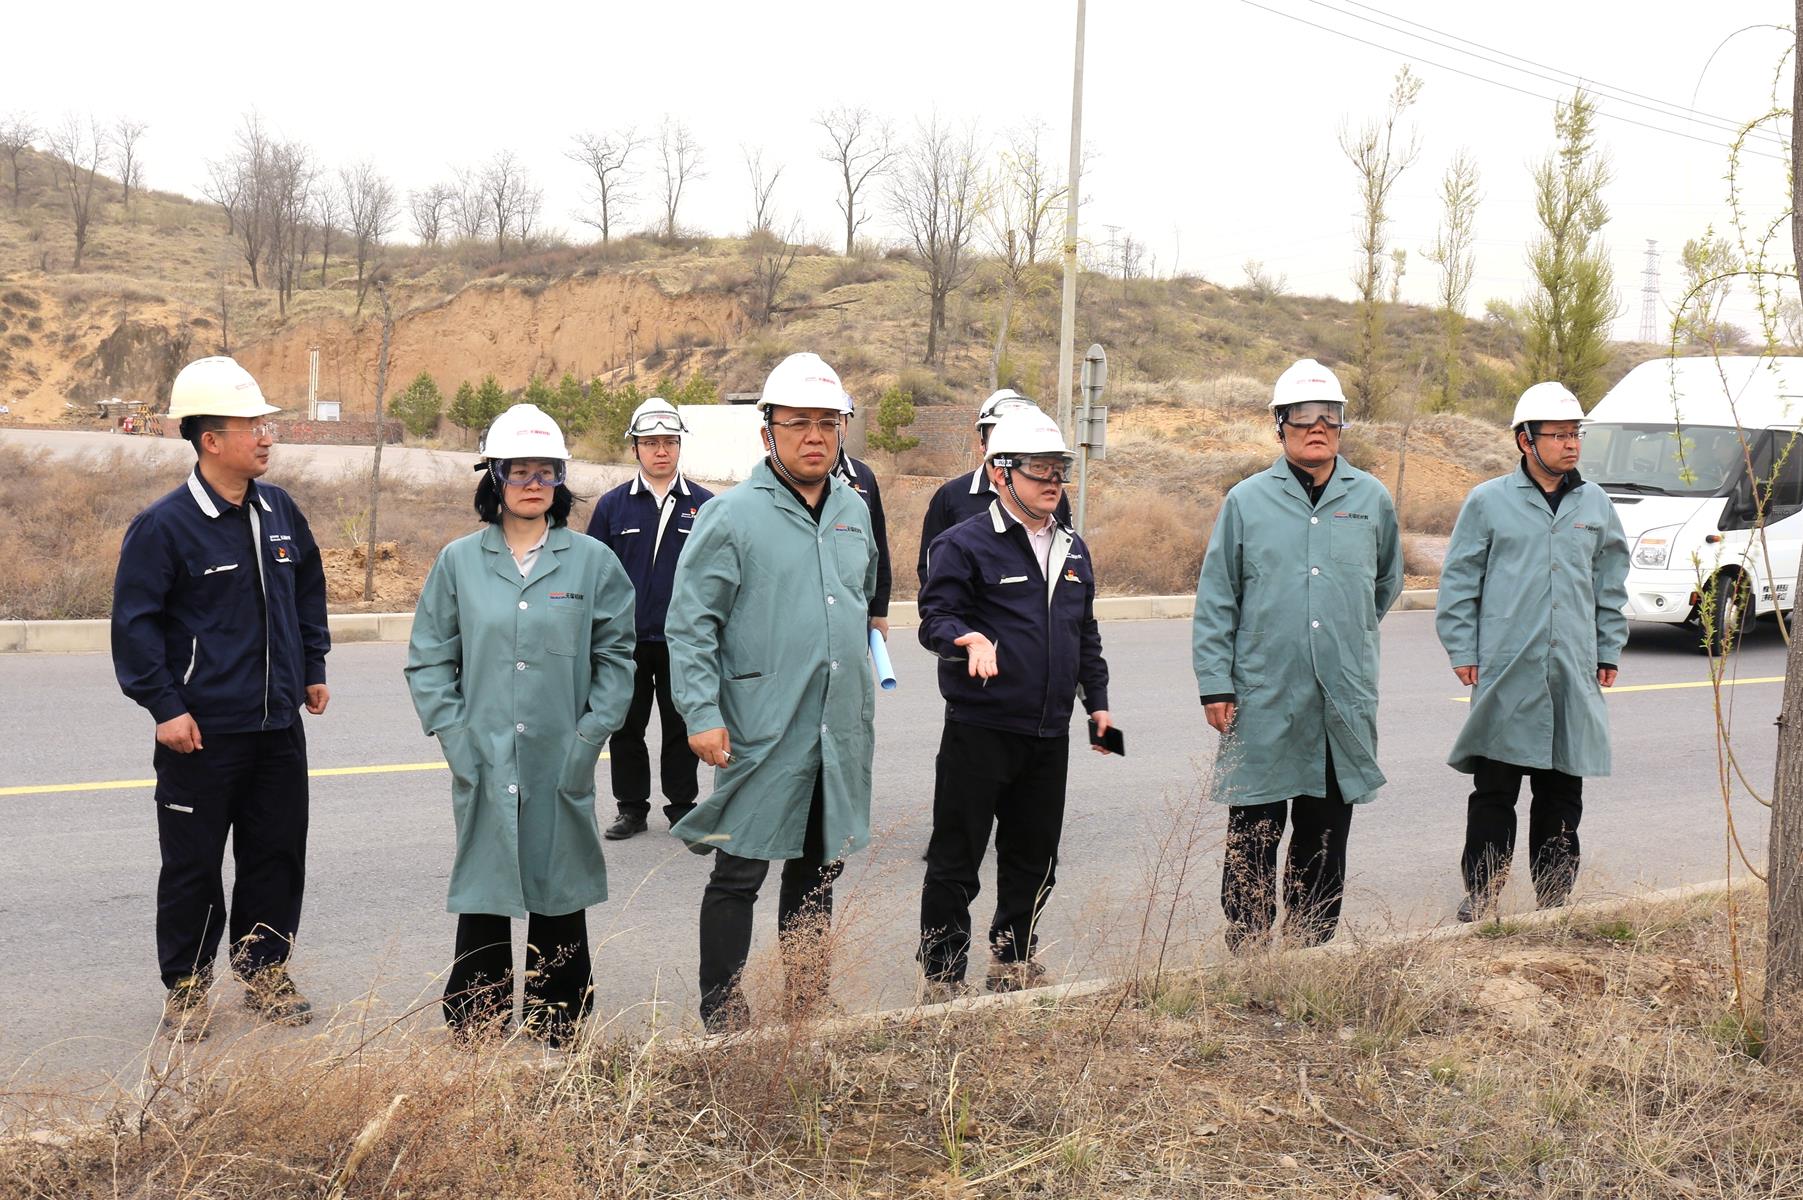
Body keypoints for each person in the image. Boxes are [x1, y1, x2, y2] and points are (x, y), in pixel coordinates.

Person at [405, 403, 637, 1046]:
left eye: (547, 471)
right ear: (495, 478)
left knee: (558, 882)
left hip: (563, 752)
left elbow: (617, 659)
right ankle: (477, 1020)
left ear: (562, 480)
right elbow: (429, 660)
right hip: (482, 753)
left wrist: (589, 739)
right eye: (519, 471)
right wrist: (456, 739)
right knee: (485, 881)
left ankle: (557, 1015)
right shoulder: (458, 562)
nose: (534, 484)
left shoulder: (593, 563)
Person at [111, 355, 330, 1038]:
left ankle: (264, 972)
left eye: (268, 425)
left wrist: (313, 663)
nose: (267, 437)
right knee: (193, 867)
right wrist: (166, 707)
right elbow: (135, 626)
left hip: (277, 727)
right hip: (200, 733)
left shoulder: (279, 510)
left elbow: (308, 589)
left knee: (276, 856)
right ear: (210, 439)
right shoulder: (165, 526)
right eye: (252, 426)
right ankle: (186, 986)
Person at [665, 352, 878, 1033]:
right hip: (761, 724)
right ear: (767, 433)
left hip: (834, 727)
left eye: (827, 423)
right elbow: (691, 625)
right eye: (798, 423)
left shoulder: (853, 509)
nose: (815, 436)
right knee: (739, 871)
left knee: (817, 873)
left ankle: (806, 1004)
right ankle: (723, 1009)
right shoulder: (730, 516)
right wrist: (701, 713)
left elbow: (859, 600)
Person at [1191, 359, 1402, 951]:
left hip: (1340, 695)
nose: (1319, 427)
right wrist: (1216, 682)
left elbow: (1384, 583)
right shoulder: (1247, 501)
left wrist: (1340, 634)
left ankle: (1310, 943)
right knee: (1254, 823)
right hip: (1264, 692)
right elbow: (1218, 597)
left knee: (1325, 824)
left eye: (1330, 416)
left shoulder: (1371, 498)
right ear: (1280, 424)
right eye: (1305, 417)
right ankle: (1249, 939)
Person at [916, 408, 1114, 997]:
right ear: (1001, 473)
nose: (1053, 481)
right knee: (957, 857)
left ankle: (1012, 957)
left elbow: (1085, 634)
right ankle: (943, 976)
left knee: (1034, 857)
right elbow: (935, 618)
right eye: (1038, 469)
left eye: (1059, 469)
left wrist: (1098, 706)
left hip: (1049, 733)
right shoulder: (963, 543)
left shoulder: (1073, 549)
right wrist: (968, 639)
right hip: (980, 728)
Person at [1436, 382, 1630, 922]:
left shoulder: (1595, 504)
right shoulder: (1488, 501)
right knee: (1495, 790)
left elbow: (1610, 583)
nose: (1571, 444)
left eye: (1576, 434)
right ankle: (1482, 894)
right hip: (1507, 669)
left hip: (1571, 669)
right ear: (1526, 440)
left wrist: (1607, 648)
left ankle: (1553, 901)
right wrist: (1462, 647)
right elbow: (1460, 581)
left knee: (1562, 790)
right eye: (1559, 435)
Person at [586, 398, 715, 841]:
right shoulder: (612, 506)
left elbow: (717, 576)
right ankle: (631, 809)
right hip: (625, 640)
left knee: (681, 726)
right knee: (626, 727)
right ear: (635, 448)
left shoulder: (705, 505)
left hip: (683, 640)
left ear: (680, 446)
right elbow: (594, 574)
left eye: (669, 442)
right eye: (651, 442)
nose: (661, 450)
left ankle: (682, 809)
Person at [916, 389, 1072, 587]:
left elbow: (1065, 555)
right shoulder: (952, 496)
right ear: (983, 443)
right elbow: (931, 566)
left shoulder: (1050, 496)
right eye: (1000, 433)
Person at [831, 408, 894, 640]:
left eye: (835, 421)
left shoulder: (862, 476)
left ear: (846, 426)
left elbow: (877, 547)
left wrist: (879, 610)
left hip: (853, 612)